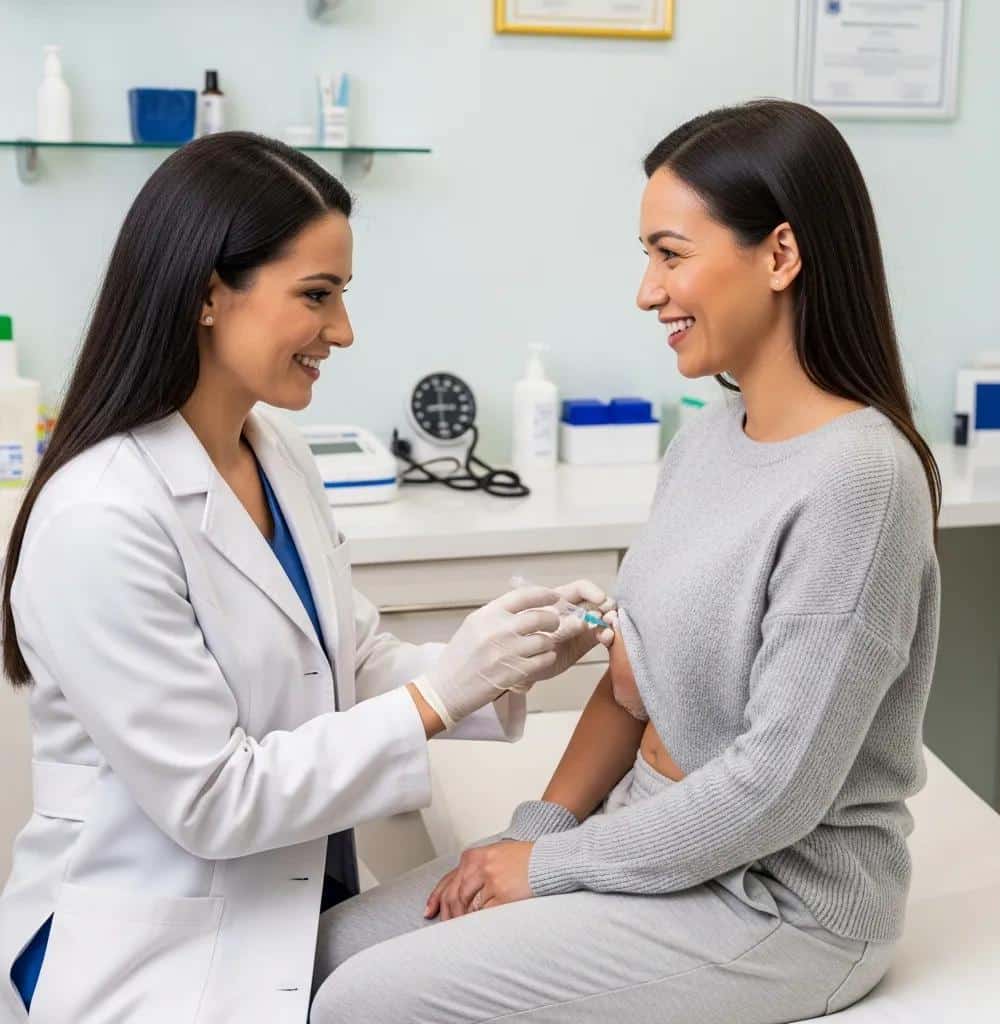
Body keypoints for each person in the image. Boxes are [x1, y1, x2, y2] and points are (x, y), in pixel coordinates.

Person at [309, 99, 942, 1024]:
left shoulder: (861, 481)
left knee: (363, 1002)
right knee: (319, 958)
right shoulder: (709, 438)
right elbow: (623, 684)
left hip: (776, 902)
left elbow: (772, 793)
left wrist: (548, 867)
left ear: (780, 254)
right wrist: (534, 832)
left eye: (670, 253)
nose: (648, 291)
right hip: (645, 842)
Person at [0, 132, 611, 1023]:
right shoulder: (101, 517)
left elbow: (344, 664)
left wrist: (508, 660)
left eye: (343, 295)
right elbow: (213, 799)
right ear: (211, 294)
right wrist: (442, 694)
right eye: (316, 296)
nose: (344, 331)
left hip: (275, 906)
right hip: (140, 946)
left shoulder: (274, 455)